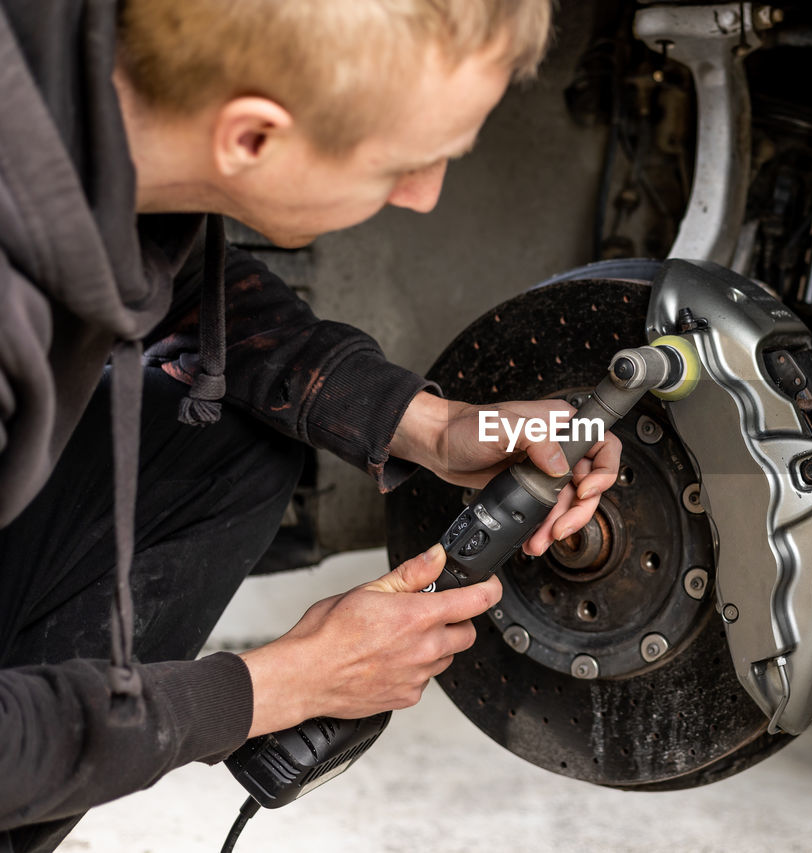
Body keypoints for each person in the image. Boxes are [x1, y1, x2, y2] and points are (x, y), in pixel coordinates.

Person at [0, 1, 621, 850]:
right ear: (252, 138)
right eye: (404, 162)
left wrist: (433, 425)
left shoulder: (72, 92)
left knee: (232, 441)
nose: (425, 194)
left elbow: (180, 285)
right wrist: (271, 687)